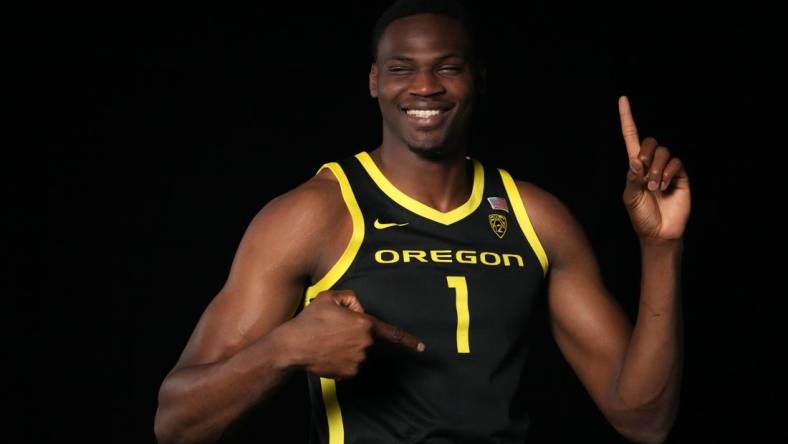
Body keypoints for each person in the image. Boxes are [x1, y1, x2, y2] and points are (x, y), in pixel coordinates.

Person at [154, 1, 690, 443]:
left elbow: (642, 418)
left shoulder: (534, 217)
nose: (425, 87)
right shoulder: (316, 214)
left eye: (447, 67)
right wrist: (284, 350)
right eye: (401, 68)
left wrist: (660, 248)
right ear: (374, 81)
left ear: (477, 80)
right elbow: (176, 421)